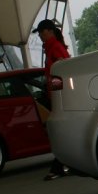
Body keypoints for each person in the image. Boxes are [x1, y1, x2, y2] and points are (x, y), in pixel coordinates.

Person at [33, 19, 71, 180]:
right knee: (60, 131)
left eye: (42, 32)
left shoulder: (55, 48)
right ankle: (62, 165)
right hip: (55, 96)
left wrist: (56, 92)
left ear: (49, 31)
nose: (40, 36)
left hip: (59, 97)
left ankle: (58, 166)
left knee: (59, 132)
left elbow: (64, 71)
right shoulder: (51, 49)